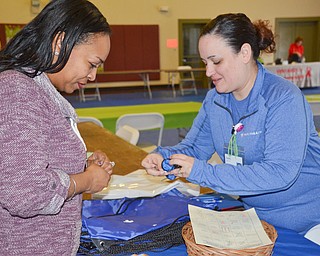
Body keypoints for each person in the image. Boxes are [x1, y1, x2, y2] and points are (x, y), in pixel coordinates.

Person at [142, 13, 320, 245]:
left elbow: (279, 173)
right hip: (255, 221)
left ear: (245, 53)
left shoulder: (284, 98)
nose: (208, 72)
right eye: (205, 63)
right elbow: (195, 148)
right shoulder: (214, 100)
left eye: (216, 62)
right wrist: (164, 157)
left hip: (307, 227)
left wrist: (202, 172)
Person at [0, 0, 114, 255]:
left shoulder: (35, 89)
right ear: (60, 43)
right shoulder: (18, 90)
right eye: (92, 63)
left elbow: (25, 163)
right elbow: (26, 193)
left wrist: (83, 163)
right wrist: (86, 180)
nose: (93, 76)